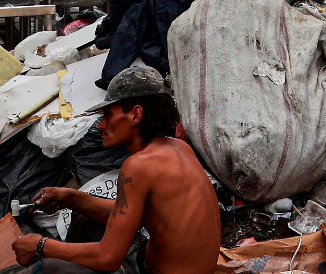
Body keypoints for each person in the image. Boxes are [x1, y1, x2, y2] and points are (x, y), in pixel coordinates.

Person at [12, 66, 221, 274]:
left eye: (108, 115)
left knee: (49, 269)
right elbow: (136, 216)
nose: (101, 125)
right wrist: (72, 198)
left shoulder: (140, 165)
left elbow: (108, 258)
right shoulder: (179, 148)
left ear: (135, 115)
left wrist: (41, 246)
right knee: (84, 218)